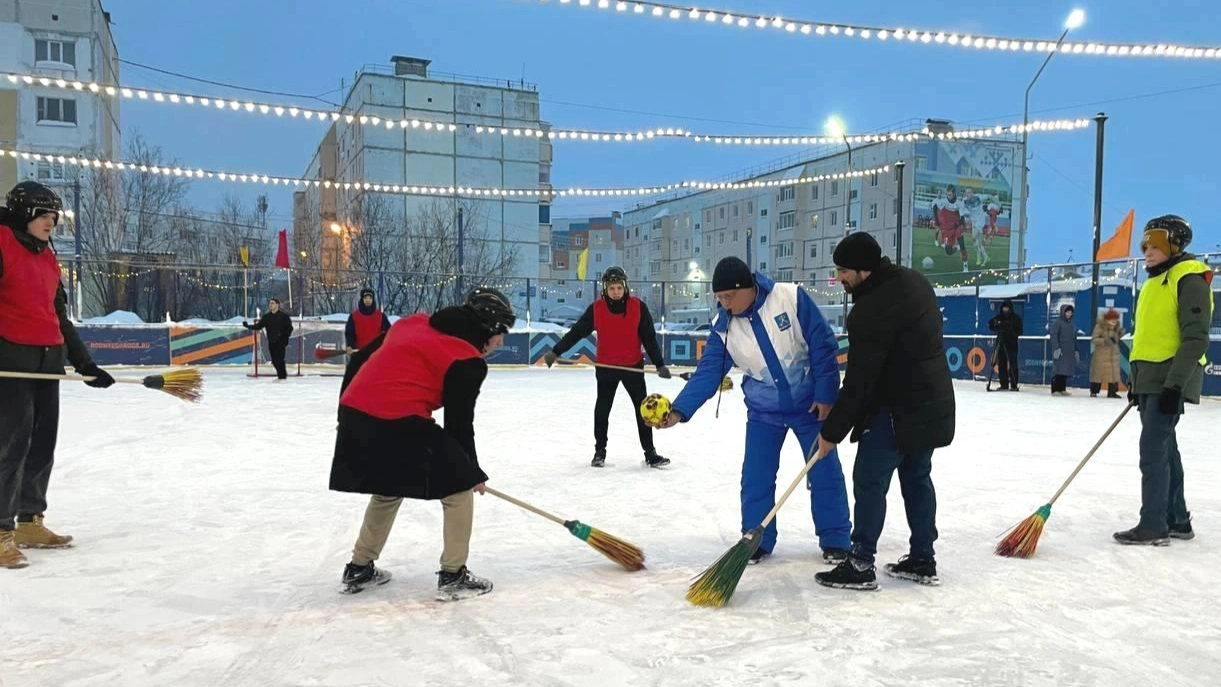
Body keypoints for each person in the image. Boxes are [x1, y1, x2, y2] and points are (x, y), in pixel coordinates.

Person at [659, 257, 852, 564]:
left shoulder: (789, 297)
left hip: (811, 406)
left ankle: (836, 539)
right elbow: (709, 372)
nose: (724, 304)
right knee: (756, 476)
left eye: (729, 297)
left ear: (747, 287)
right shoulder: (723, 330)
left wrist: (826, 394)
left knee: (824, 472)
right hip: (764, 412)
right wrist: (679, 411)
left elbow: (822, 344)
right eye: (719, 298)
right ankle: (756, 538)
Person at [330, 286, 515, 600]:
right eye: (501, 333)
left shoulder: (412, 322)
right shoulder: (467, 360)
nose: (502, 341)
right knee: (457, 490)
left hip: (355, 413)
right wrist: (471, 472)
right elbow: (458, 425)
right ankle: (453, 575)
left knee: (389, 486)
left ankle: (359, 567)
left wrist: (343, 412)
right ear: (487, 328)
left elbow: (360, 357)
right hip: (398, 419)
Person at [812, 233, 955, 591]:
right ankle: (923, 557)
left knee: (870, 480)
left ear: (863, 269)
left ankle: (860, 563)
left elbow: (860, 381)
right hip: (931, 403)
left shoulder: (872, 309)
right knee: (917, 477)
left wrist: (831, 431)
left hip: (896, 408)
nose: (839, 278)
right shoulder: (913, 281)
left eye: (843, 271)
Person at [0, 181, 115, 569]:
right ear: (24, 214)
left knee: (42, 443)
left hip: (48, 360)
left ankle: (30, 519)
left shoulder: (47, 255)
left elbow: (58, 316)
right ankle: (0, 531)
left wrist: (84, 364)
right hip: (10, 358)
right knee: (10, 446)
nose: (52, 221)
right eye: (44, 215)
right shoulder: (1, 244)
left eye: (54, 215)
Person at [1116, 215, 1213, 546]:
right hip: (1151, 380)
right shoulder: (1154, 283)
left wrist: (1174, 385)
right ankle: (1177, 519)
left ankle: (1154, 523)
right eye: (1145, 243)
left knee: (1152, 449)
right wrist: (1137, 383)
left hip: (1170, 378)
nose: (1147, 249)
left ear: (1175, 243)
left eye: (1156, 242)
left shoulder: (1189, 278)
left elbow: (1196, 337)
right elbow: (1146, 339)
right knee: (1165, 448)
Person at [543, 266, 672, 468]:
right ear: (605, 289)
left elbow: (649, 338)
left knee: (643, 411)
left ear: (625, 287)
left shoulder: (638, 307)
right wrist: (556, 351)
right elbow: (577, 332)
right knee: (602, 410)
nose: (616, 292)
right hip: (606, 368)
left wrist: (660, 364)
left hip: (633, 367)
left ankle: (650, 453)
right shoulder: (597, 309)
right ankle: (599, 452)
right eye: (612, 288)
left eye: (619, 287)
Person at [243, 298, 293, 379]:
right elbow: (258, 326)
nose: (270, 305)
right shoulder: (267, 317)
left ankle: (282, 376)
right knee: (274, 361)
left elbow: (289, 328)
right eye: (270, 303)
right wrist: (247, 326)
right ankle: (282, 375)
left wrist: (284, 337)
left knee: (279, 359)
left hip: (281, 342)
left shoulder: (284, 316)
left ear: (277, 305)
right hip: (272, 342)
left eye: (272, 303)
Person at [987, 299, 1023, 391]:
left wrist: (1011, 331)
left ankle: (1014, 384)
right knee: (1002, 365)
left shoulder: (1016, 318)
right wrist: (996, 325)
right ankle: (1004, 384)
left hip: (1012, 344)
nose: (1005, 310)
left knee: (1013, 364)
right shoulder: (999, 317)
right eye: (1004, 308)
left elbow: (1019, 331)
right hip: (1001, 343)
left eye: (1007, 308)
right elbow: (991, 324)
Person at [344, 288, 391, 355]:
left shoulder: (380, 316)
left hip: (376, 354)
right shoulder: (354, 316)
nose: (368, 300)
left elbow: (388, 331)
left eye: (370, 298)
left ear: (373, 300)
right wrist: (350, 345)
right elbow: (350, 333)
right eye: (365, 298)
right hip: (359, 353)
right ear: (362, 299)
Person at [1089, 309, 1124, 399]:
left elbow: (1116, 340)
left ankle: (1112, 392)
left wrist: (1119, 334)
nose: (1114, 321)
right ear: (1107, 319)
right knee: (1098, 374)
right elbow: (1094, 339)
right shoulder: (1100, 326)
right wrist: (1104, 341)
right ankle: (1094, 391)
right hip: (1101, 355)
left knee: (1113, 374)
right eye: (1112, 319)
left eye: (1116, 319)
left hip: (1113, 355)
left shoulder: (1116, 328)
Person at [1049, 304, 1077, 395]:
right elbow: (1054, 335)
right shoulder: (1058, 322)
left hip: (1068, 351)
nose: (1069, 314)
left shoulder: (1070, 324)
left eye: (1070, 312)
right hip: (1060, 350)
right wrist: (1056, 348)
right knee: (1058, 370)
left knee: (1065, 370)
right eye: (1067, 312)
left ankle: (1062, 389)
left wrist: (1075, 350)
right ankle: (1055, 390)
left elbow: (1074, 338)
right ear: (1063, 312)